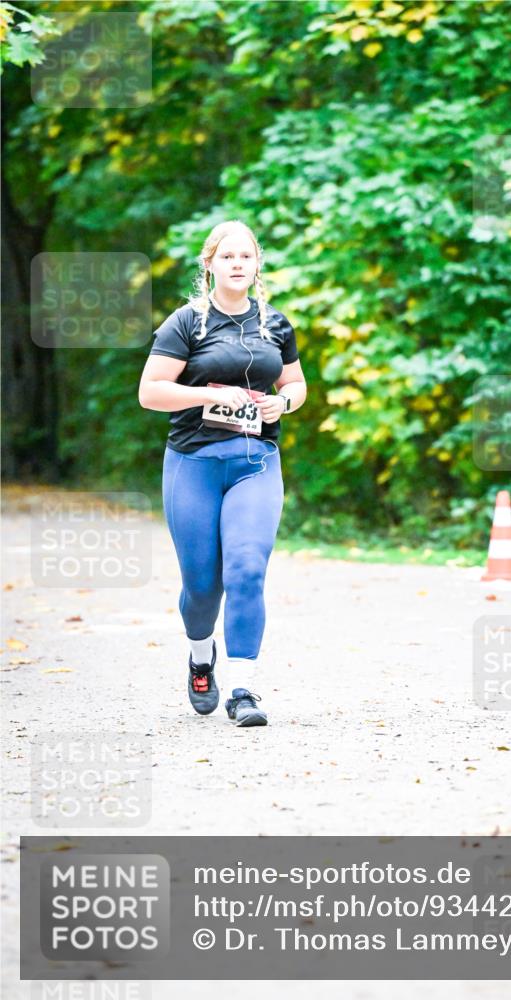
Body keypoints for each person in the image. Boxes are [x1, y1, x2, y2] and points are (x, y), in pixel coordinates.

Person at [138, 219, 306, 726]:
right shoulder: (186, 323)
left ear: (257, 266)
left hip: (256, 463)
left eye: (246, 256)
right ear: (208, 264)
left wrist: (283, 403)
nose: (238, 264)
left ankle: (243, 690)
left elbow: (296, 383)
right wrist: (211, 393)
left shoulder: (274, 324)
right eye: (227, 256)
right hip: (194, 463)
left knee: (247, 569)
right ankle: (199, 654)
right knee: (202, 584)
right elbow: (150, 393)